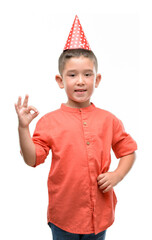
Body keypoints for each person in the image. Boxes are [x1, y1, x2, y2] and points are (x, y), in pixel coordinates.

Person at [14, 15, 137, 240]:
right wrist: (23, 129)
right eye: (72, 75)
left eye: (87, 75)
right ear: (60, 81)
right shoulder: (49, 121)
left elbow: (128, 150)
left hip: (100, 216)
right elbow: (32, 159)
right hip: (64, 217)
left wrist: (117, 175)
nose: (80, 81)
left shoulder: (108, 119)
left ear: (96, 79)